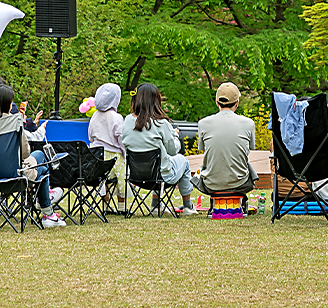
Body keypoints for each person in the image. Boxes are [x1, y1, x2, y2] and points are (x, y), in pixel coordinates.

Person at [0, 84, 62, 227]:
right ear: (5, 104)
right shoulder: (14, 121)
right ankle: (48, 213)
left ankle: (48, 213)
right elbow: (25, 153)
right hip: (14, 175)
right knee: (42, 161)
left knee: (40, 162)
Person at [121, 83, 196, 214]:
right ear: (156, 101)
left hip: (135, 176)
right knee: (183, 161)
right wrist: (175, 136)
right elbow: (173, 150)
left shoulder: (127, 121)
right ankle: (188, 206)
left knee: (159, 161)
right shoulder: (161, 123)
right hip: (161, 176)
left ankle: (156, 205)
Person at [193, 83, 258, 198]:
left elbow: (203, 149)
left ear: (217, 102)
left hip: (211, 184)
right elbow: (250, 148)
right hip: (240, 184)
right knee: (247, 165)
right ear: (237, 103)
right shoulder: (248, 123)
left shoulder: (203, 123)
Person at [87, 83, 125, 211]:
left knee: (103, 181)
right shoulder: (117, 118)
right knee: (121, 180)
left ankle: (106, 206)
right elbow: (121, 139)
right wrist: (125, 152)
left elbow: (90, 136)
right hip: (114, 157)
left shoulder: (94, 116)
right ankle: (121, 206)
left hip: (97, 156)